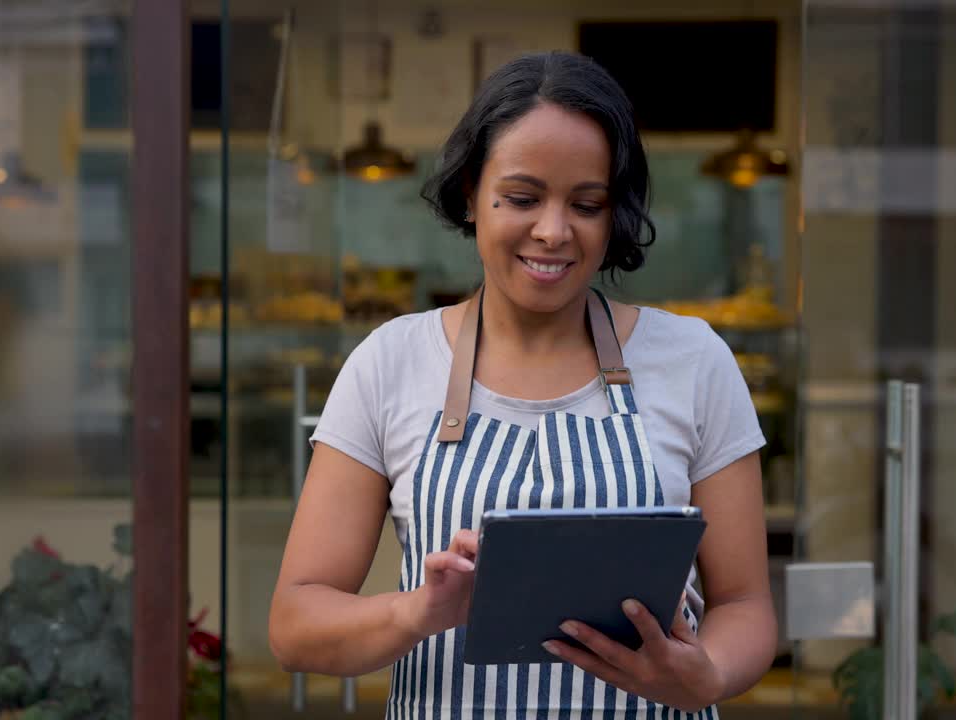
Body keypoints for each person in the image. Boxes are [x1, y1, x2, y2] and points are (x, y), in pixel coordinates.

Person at [269, 51, 776, 718]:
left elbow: (746, 605)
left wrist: (706, 674)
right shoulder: (390, 363)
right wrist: (420, 611)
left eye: (586, 204)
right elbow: (296, 624)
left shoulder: (693, 360)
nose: (553, 231)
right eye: (522, 197)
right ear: (471, 194)